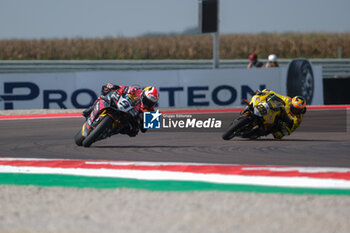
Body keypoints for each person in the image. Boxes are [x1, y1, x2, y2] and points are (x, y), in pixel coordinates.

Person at [82, 83, 159, 137]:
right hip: (122, 106)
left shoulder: (151, 111)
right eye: (147, 100)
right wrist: (113, 87)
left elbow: (144, 130)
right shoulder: (135, 90)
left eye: (150, 103)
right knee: (105, 97)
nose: (148, 104)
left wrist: (144, 121)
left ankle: (110, 131)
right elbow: (124, 88)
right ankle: (91, 109)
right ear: (143, 95)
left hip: (130, 119)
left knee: (133, 132)